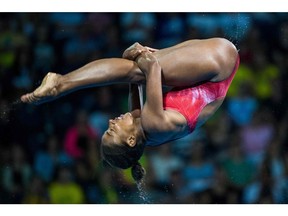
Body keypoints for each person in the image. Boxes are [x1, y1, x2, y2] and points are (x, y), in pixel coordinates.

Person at [20, 37, 240, 182]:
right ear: (131, 141)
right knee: (133, 69)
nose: (110, 123)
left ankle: (61, 83)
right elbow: (150, 67)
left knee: (133, 70)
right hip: (219, 64)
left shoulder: (143, 128)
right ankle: (61, 84)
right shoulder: (153, 125)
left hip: (210, 72)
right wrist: (136, 53)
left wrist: (137, 56)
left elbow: (139, 82)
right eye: (112, 131)